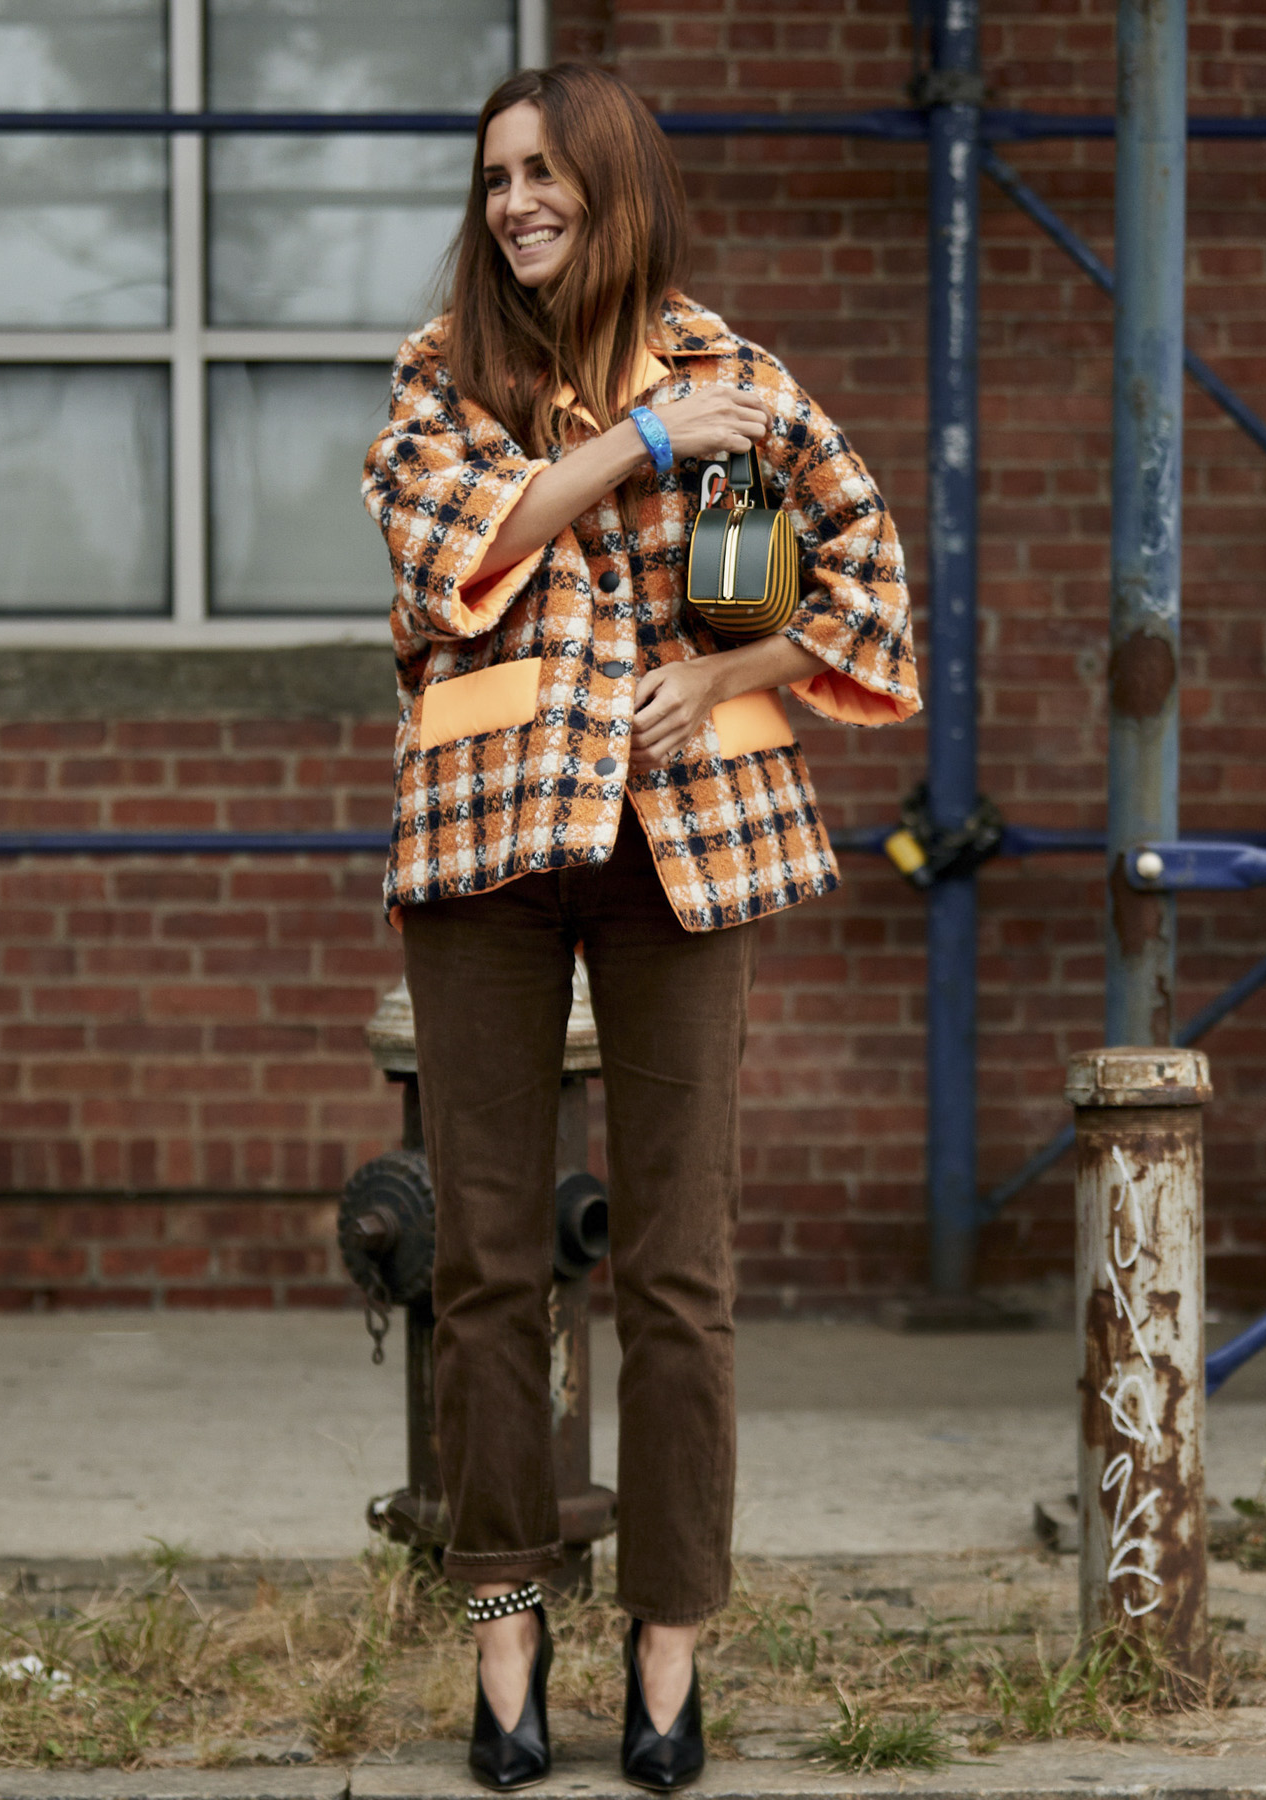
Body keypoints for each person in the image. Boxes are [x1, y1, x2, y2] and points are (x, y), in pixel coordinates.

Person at [362, 63, 917, 1789]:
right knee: (485, 1264)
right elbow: (455, 548)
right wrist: (645, 445)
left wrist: (737, 670)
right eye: (496, 177)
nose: (517, 200)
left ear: (615, 187)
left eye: (547, 171)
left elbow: (876, 587)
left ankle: (668, 1643)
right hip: (485, 844)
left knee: (681, 1271)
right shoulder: (442, 374)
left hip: (686, 846)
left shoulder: (737, 374)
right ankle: (504, 1624)